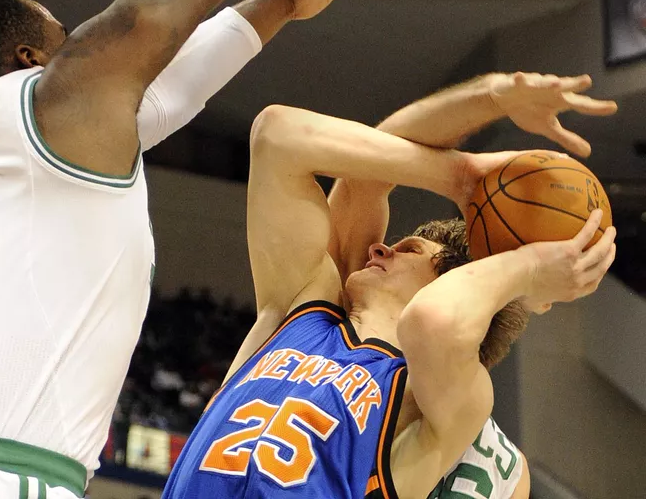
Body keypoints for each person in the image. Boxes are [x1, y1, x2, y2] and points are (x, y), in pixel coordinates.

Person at [0, 0, 384, 498]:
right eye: (62, 34)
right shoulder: (55, 101)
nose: (78, 40)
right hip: (3, 476)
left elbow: (174, 83)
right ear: (31, 59)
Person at [161, 100, 616, 498]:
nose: (380, 248)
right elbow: (279, 134)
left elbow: (433, 322)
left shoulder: (433, 398)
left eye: (409, 251)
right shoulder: (301, 309)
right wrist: (466, 159)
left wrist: (530, 269)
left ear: (443, 285)